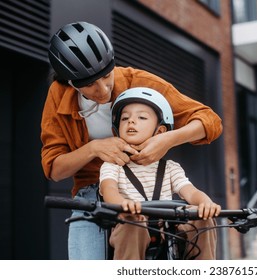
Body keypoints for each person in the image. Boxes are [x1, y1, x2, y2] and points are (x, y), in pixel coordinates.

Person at [41, 21, 223, 260]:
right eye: (90, 85)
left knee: (199, 228)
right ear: (72, 84)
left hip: (150, 190)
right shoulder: (58, 94)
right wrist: (94, 148)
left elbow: (210, 121)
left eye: (107, 76)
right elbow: (54, 168)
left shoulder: (141, 82)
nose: (103, 90)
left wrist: (168, 139)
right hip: (91, 194)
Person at [100, 87, 221, 259]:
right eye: (125, 118)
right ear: (116, 129)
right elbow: (108, 190)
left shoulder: (170, 167)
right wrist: (123, 205)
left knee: (202, 218)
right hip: (132, 227)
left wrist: (205, 203)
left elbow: (191, 191)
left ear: (160, 132)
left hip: (169, 229)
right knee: (132, 222)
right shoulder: (113, 164)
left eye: (141, 117)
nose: (131, 121)